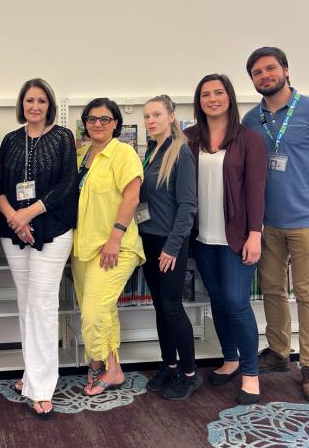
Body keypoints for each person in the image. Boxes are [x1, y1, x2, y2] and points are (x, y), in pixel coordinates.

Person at [242, 47, 309, 402]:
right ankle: (277, 352)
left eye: (270, 69)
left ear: (286, 70)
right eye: (257, 72)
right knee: (271, 289)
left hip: (307, 221)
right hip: (266, 222)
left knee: (307, 293)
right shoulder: (251, 119)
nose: (265, 76)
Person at [0, 78, 78, 419]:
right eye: (29, 100)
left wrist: (29, 212)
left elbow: (67, 184)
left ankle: (42, 388)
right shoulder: (11, 140)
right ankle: (32, 374)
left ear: (49, 105)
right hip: (14, 231)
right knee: (26, 303)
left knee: (42, 305)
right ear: (22, 105)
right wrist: (15, 218)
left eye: (41, 100)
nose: (35, 106)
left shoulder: (62, 137)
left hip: (53, 231)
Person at [185, 75, 267, 404]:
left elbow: (256, 192)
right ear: (199, 100)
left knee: (236, 302)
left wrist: (255, 235)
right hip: (202, 238)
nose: (212, 98)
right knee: (218, 301)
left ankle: (250, 372)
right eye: (206, 94)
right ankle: (230, 358)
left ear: (230, 98)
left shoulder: (249, 139)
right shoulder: (189, 138)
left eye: (219, 92)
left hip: (236, 238)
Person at [72, 98, 144, 396]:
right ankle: (114, 369)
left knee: (93, 312)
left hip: (115, 246)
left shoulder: (123, 153)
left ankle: (96, 363)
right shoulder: (81, 155)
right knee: (104, 313)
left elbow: (132, 198)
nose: (97, 124)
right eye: (91, 119)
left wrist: (115, 237)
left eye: (104, 119)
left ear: (116, 123)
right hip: (83, 248)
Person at [138, 95, 199, 400]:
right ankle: (169, 364)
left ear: (172, 116)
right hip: (148, 239)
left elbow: (188, 206)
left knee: (173, 307)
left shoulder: (181, 152)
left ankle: (189, 373)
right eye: (147, 116)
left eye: (157, 115)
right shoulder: (150, 151)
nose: (151, 121)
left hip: (170, 243)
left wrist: (173, 248)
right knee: (160, 307)